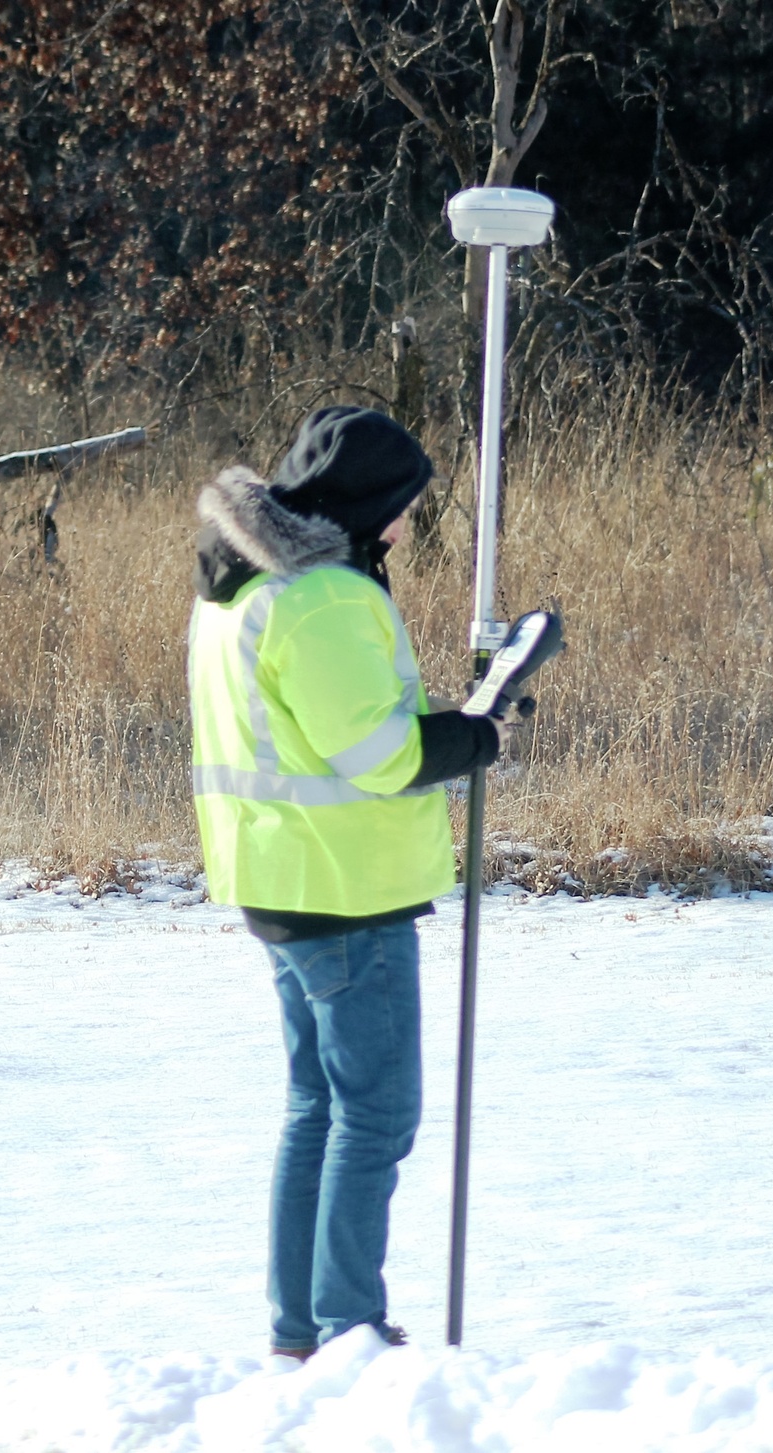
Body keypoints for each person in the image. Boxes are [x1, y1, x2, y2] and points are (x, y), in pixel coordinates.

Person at [187, 406, 509, 1360]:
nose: (410, 523)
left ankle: (303, 1330)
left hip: (280, 878)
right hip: (341, 890)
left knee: (317, 1109)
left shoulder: (240, 582)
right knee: (373, 1113)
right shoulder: (323, 598)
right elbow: (374, 753)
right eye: (404, 505)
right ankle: (346, 1327)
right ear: (368, 504)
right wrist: (478, 732)